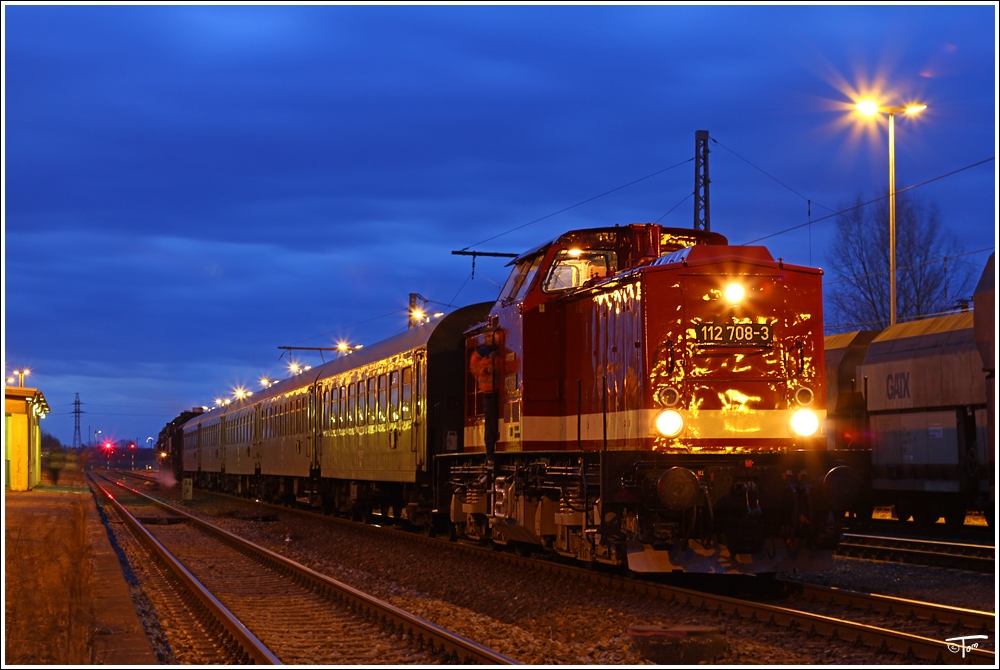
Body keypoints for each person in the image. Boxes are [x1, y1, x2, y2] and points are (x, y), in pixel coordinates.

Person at [470, 331, 499, 456]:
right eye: (487, 336)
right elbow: (475, 370)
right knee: (490, 422)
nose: (490, 338)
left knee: (492, 421)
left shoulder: (501, 351)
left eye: (491, 335)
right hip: (489, 391)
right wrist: (487, 367)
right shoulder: (479, 354)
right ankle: (490, 452)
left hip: (500, 391)